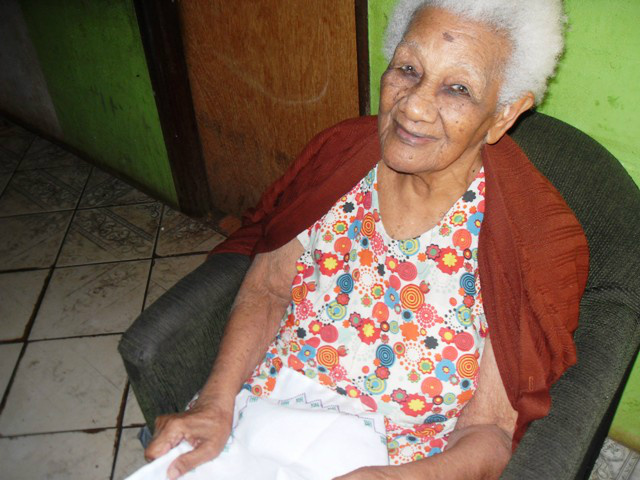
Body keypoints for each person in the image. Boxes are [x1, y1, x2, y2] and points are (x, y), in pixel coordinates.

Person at [143, 1, 589, 479]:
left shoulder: (533, 238)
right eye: (407, 69)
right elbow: (269, 289)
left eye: (457, 88)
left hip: (406, 463)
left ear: (504, 114)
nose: (412, 106)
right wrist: (215, 404)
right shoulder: (339, 156)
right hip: (260, 412)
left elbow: (491, 432)